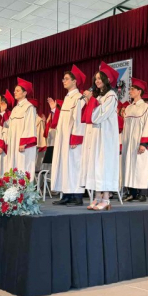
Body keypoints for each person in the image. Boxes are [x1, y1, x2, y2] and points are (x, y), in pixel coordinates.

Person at [80, 62, 120, 211]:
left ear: (107, 79)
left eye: (100, 78)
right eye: (95, 78)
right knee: (95, 165)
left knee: (104, 165)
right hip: (96, 136)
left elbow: (99, 116)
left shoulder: (111, 96)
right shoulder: (99, 96)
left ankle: (106, 198)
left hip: (106, 137)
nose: (97, 81)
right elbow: (87, 117)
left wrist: (92, 100)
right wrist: (90, 100)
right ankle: (97, 197)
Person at [51, 66, 87, 206]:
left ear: (74, 81)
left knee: (74, 165)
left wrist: (75, 138)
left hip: (73, 138)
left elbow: (79, 120)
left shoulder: (79, 98)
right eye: (63, 79)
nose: (63, 81)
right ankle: (67, 194)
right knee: (65, 165)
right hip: (64, 138)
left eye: (66, 79)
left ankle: (77, 196)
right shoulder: (67, 98)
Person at [121, 78, 148, 202]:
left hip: (139, 143)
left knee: (140, 166)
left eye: (132, 89)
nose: (130, 91)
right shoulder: (128, 108)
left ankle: (142, 193)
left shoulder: (146, 108)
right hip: (129, 143)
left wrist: (144, 144)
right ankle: (131, 192)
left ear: (139, 91)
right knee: (129, 165)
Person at [2, 78, 37, 175]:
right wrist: (4, 113)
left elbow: (30, 126)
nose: (15, 92)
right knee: (13, 166)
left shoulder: (29, 107)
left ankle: (23, 184)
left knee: (22, 166)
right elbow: (10, 125)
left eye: (17, 90)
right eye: (14, 90)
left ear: (25, 93)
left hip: (22, 144)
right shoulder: (15, 109)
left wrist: (24, 142)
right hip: (13, 143)